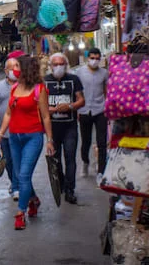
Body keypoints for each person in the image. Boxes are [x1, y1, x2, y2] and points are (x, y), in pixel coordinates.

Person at [0, 55, 55, 230]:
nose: (14, 70)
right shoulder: (14, 88)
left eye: (18, 66)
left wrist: (50, 140)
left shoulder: (39, 89)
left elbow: (45, 116)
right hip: (14, 137)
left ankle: (21, 213)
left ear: (26, 69)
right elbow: (8, 114)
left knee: (24, 175)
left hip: (33, 137)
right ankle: (33, 200)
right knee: (19, 176)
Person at [44, 52, 85, 204]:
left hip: (70, 127)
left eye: (61, 64)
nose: (59, 67)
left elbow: (81, 101)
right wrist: (51, 109)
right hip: (53, 129)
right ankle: (61, 183)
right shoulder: (45, 82)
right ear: (50, 66)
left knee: (70, 158)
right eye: (55, 64)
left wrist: (69, 106)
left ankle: (70, 190)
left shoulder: (74, 80)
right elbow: (39, 106)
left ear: (66, 66)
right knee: (56, 159)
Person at [74, 48, 109, 186]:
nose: (94, 60)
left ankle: (101, 170)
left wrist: (107, 106)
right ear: (87, 58)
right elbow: (76, 92)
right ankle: (85, 162)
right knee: (86, 141)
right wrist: (76, 109)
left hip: (100, 110)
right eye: (92, 57)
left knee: (101, 142)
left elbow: (106, 91)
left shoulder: (104, 73)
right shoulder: (79, 72)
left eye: (97, 58)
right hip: (84, 110)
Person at [0, 58, 20, 200]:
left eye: (17, 67)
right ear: (6, 71)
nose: (14, 70)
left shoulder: (24, 85)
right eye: (11, 68)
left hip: (20, 130)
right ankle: (15, 183)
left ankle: (17, 187)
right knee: (8, 160)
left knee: (17, 159)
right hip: (4, 132)